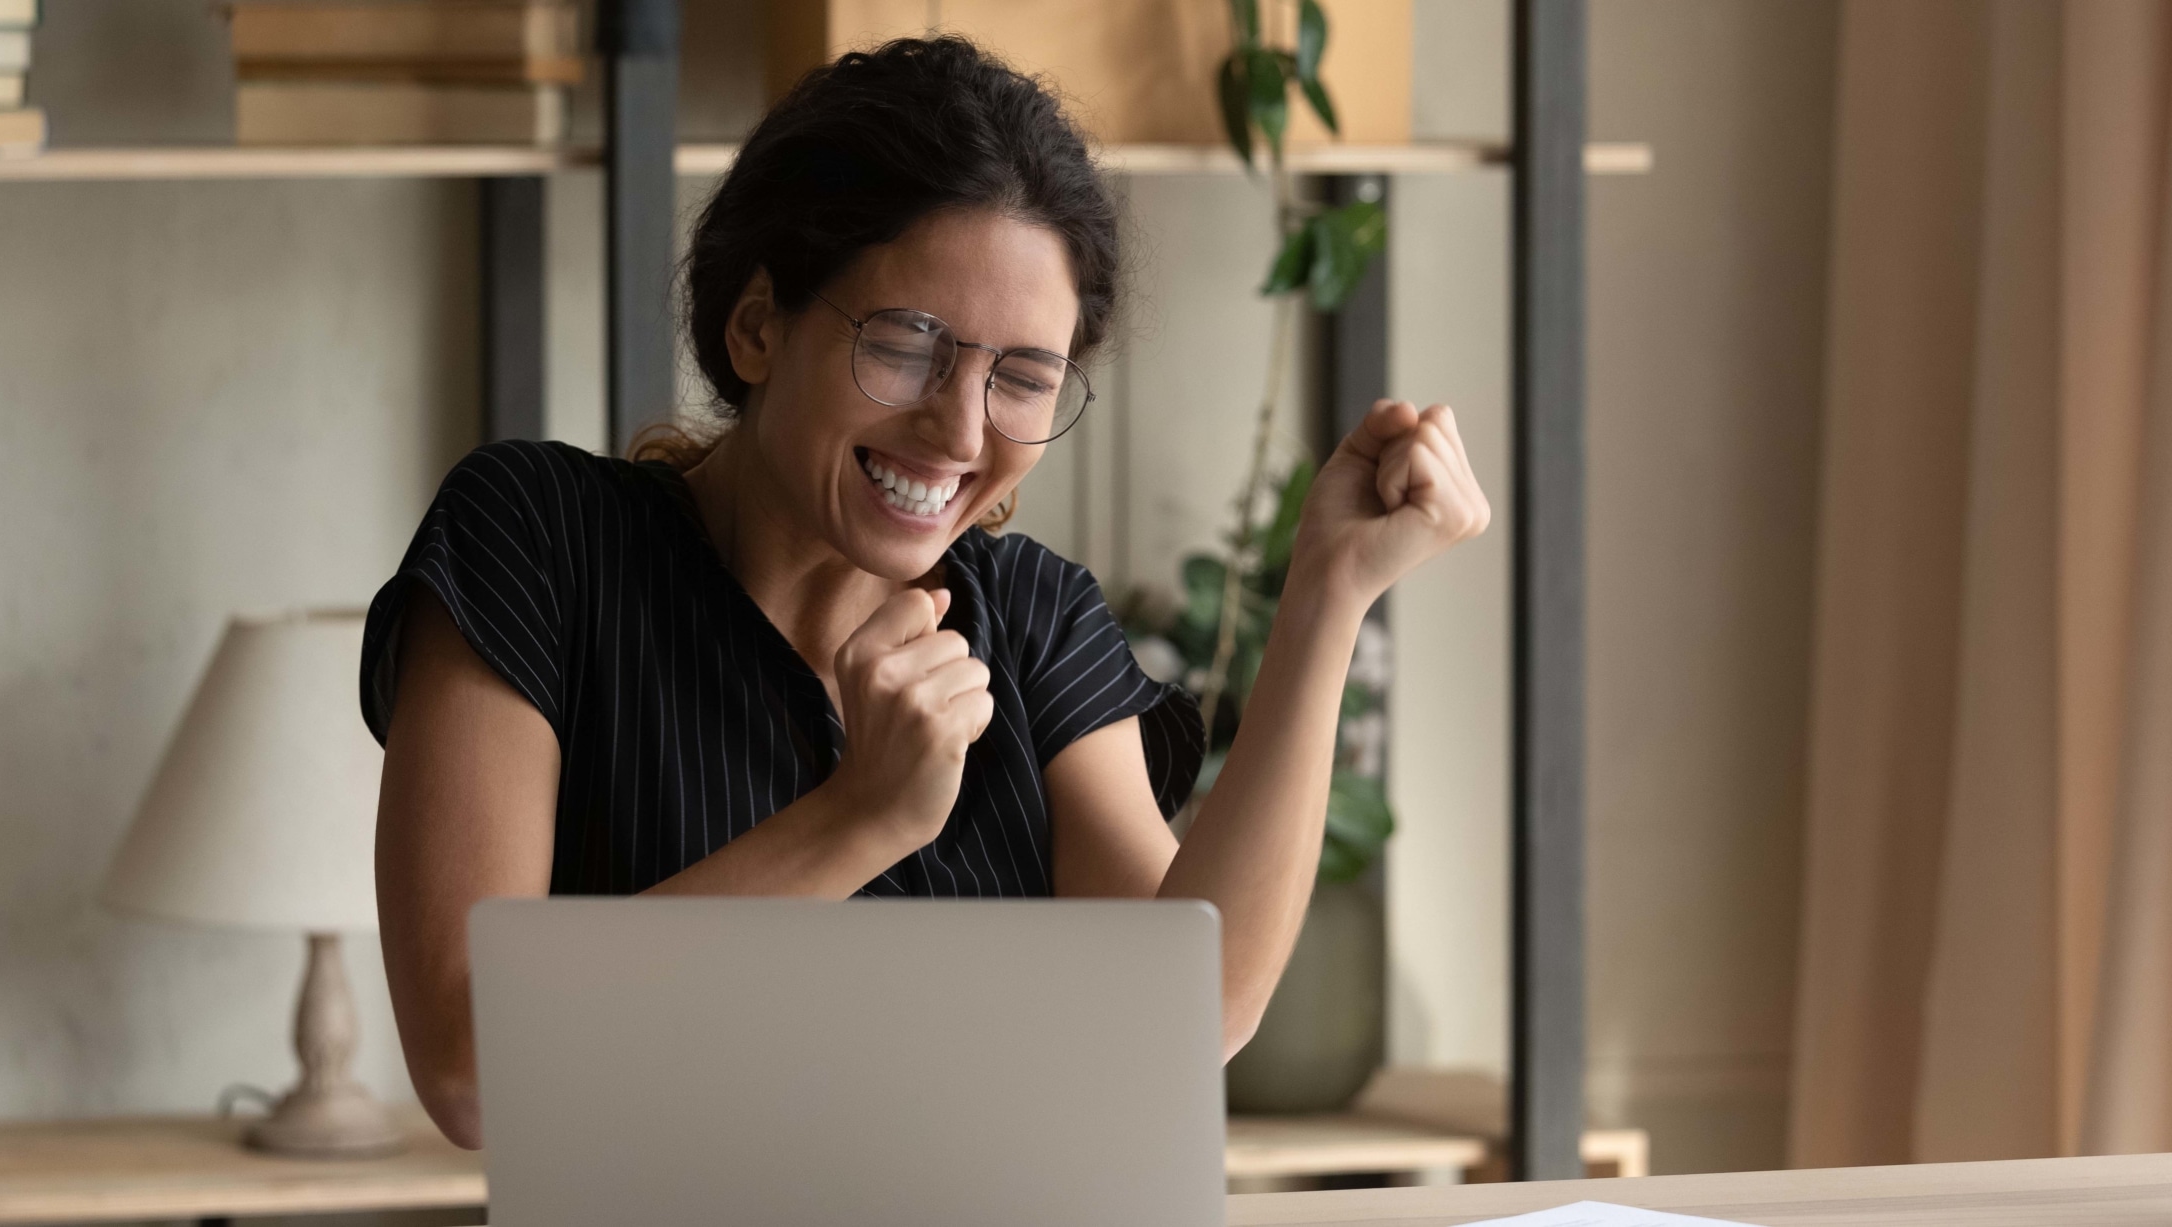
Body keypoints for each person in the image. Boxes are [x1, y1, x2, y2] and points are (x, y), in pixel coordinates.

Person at [361, 36, 1490, 1150]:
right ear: (757, 326)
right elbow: (469, 1067)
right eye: (907, 345)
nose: (959, 430)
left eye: (1021, 379)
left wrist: (1327, 594)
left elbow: (1187, 1015)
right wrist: (861, 817)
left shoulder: (1034, 619)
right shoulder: (540, 540)